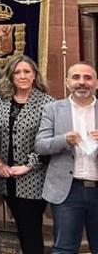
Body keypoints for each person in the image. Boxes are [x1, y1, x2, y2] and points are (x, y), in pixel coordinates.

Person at [0, 55, 54, 254]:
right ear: (10, 76)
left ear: (35, 75)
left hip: (33, 179)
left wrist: (28, 165)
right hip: (4, 178)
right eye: (17, 72)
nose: (22, 76)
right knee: (18, 229)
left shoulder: (48, 103)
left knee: (30, 230)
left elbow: (49, 142)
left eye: (27, 72)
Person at [35, 62, 98, 254]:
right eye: (76, 77)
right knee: (64, 248)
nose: (82, 82)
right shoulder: (52, 109)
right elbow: (41, 145)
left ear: (96, 83)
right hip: (68, 191)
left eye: (87, 78)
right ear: (67, 82)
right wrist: (64, 139)